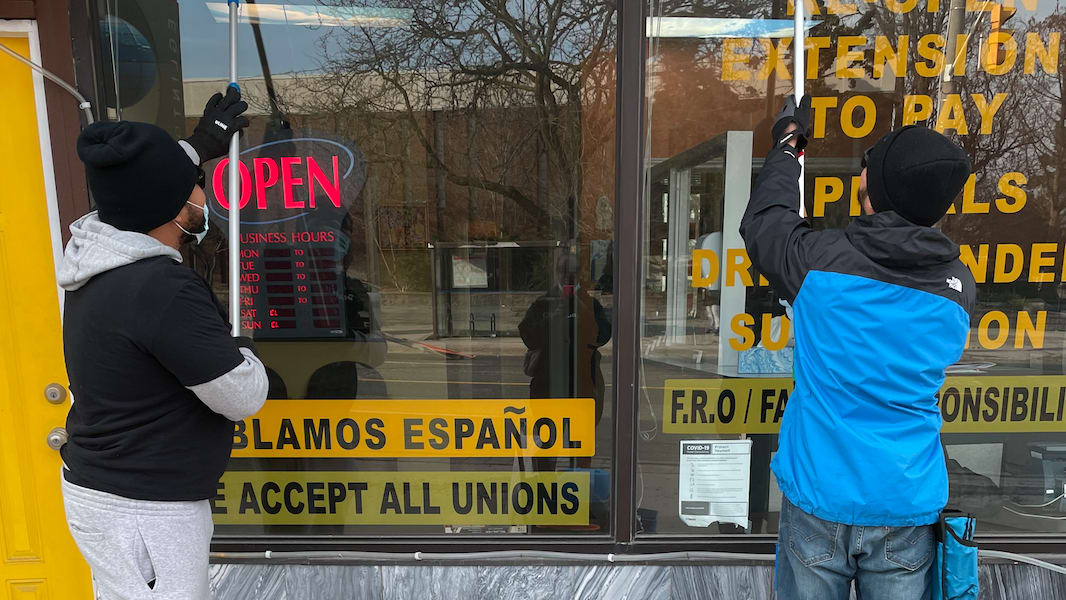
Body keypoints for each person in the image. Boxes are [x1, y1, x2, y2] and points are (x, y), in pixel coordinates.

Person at [740, 97, 974, 600]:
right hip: (905, 502)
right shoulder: (958, 287)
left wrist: (787, 146)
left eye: (867, 171)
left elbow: (765, 223)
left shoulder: (819, 264)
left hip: (820, 498)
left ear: (873, 195)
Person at [58, 87, 267, 599]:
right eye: (196, 185)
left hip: (109, 496)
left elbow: (143, 186)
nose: (203, 195)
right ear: (170, 206)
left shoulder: (96, 256)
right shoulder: (161, 290)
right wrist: (241, 350)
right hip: (146, 513)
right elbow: (242, 397)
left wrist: (198, 145)